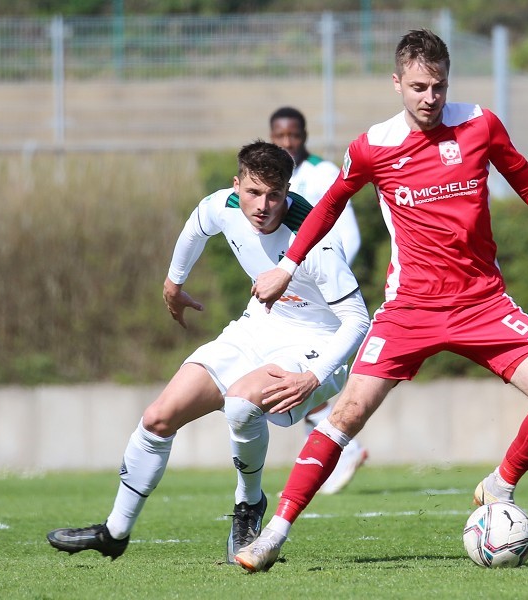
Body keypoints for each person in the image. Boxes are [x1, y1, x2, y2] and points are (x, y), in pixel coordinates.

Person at [235, 29, 528, 573]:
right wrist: (287, 267)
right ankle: (273, 536)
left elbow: (523, 177)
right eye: (420, 86)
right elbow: (330, 205)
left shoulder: (479, 123)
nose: (431, 97)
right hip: (410, 309)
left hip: (483, 303)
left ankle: (499, 485)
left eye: (440, 86)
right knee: (347, 414)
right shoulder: (373, 146)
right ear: (398, 83)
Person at [45, 140, 369, 565]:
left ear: (288, 190)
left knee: (240, 402)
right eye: (254, 192)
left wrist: (315, 376)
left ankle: (248, 505)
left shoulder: (314, 239)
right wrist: (173, 282)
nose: (263, 206)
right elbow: (198, 224)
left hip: (316, 344)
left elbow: (359, 319)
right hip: (258, 326)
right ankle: (115, 532)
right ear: (238, 185)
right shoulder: (225, 205)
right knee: (158, 418)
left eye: (275, 195)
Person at [269, 106, 368, 495]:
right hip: (285, 296)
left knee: (307, 377)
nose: (287, 143)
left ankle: (346, 445)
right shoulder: (270, 180)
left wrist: (330, 284)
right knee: (285, 374)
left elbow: (350, 235)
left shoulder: (322, 174)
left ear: (304, 135)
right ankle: (343, 446)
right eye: (280, 136)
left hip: (322, 295)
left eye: (293, 135)